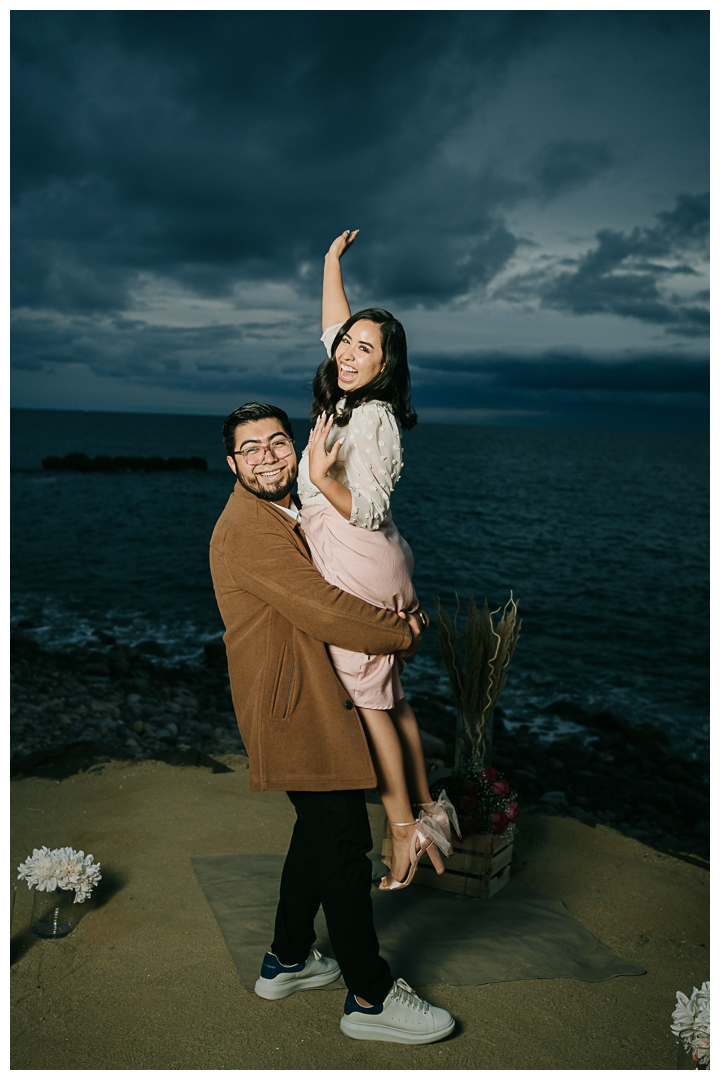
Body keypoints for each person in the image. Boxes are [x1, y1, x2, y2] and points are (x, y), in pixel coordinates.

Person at [209, 402, 455, 1044]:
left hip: (308, 700)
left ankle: (286, 960)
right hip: (296, 711)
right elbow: (320, 609)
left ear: (295, 449)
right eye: (250, 449)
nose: (266, 456)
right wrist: (400, 632)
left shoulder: (283, 510)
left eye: (277, 443)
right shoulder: (248, 530)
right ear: (231, 463)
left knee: (319, 833)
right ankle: (369, 998)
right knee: (342, 842)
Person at [297, 230, 460, 889]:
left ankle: (402, 834)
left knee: (369, 704)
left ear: (386, 365)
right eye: (347, 343)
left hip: (356, 557)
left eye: (366, 348)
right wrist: (331, 262)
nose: (348, 351)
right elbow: (334, 327)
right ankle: (426, 807)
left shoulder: (373, 418)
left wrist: (317, 473)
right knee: (392, 697)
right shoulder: (349, 395)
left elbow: (364, 506)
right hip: (376, 557)